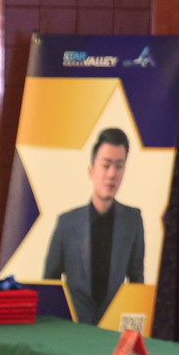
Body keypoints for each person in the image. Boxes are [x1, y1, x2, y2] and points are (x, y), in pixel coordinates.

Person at [44, 127, 146, 326]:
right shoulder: (67, 223)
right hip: (72, 330)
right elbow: (50, 284)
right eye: (106, 165)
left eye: (119, 166)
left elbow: (136, 285)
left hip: (114, 330)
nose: (112, 174)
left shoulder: (133, 221)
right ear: (91, 170)